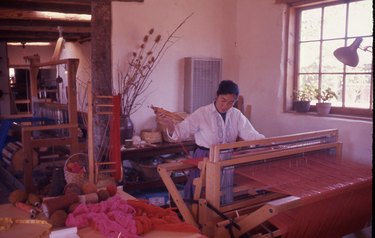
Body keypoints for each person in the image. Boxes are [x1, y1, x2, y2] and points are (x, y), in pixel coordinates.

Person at [156, 80, 265, 200]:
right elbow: (180, 132)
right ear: (217, 96)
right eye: (223, 100)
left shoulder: (236, 115)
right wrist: (170, 125)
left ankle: (223, 215)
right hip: (205, 158)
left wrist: (265, 143)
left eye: (231, 102)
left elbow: (250, 133)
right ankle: (201, 217)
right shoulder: (202, 113)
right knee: (202, 193)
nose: (226, 106)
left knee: (224, 191)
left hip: (227, 158)